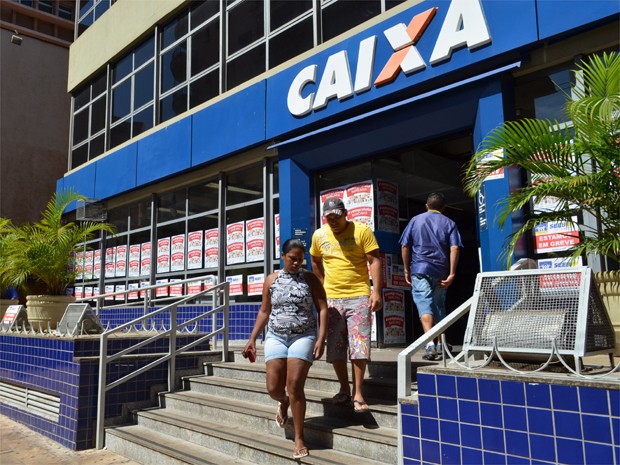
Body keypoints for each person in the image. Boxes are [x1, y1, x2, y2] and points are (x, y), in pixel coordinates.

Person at [244, 238, 328, 460]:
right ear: (283, 256)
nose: (296, 263)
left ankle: (299, 438)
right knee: (273, 388)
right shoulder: (271, 279)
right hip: (276, 336)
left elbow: (322, 307)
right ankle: (282, 402)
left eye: (300, 259)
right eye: (292, 258)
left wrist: (321, 338)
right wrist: (252, 338)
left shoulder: (310, 279)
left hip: (304, 336)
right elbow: (264, 311)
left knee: (295, 386)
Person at [310, 197, 383, 414]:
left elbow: (375, 261)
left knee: (359, 346)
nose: (333, 220)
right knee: (335, 347)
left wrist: (376, 291)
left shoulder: (361, 231)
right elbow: (315, 260)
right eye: (328, 217)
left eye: (336, 216)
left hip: (359, 296)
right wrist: (322, 285)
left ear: (345, 213)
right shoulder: (319, 235)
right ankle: (343, 387)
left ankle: (358, 392)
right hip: (332, 299)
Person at [399, 193, 463, 360]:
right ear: (444, 208)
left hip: (420, 268)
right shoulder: (450, 223)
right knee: (439, 306)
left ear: (426, 206)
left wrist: (406, 269)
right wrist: (452, 273)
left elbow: (405, 245)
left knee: (424, 304)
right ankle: (441, 344)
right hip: (441, 271)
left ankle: (429, 344)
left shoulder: (415, 220)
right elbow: (455, 248)